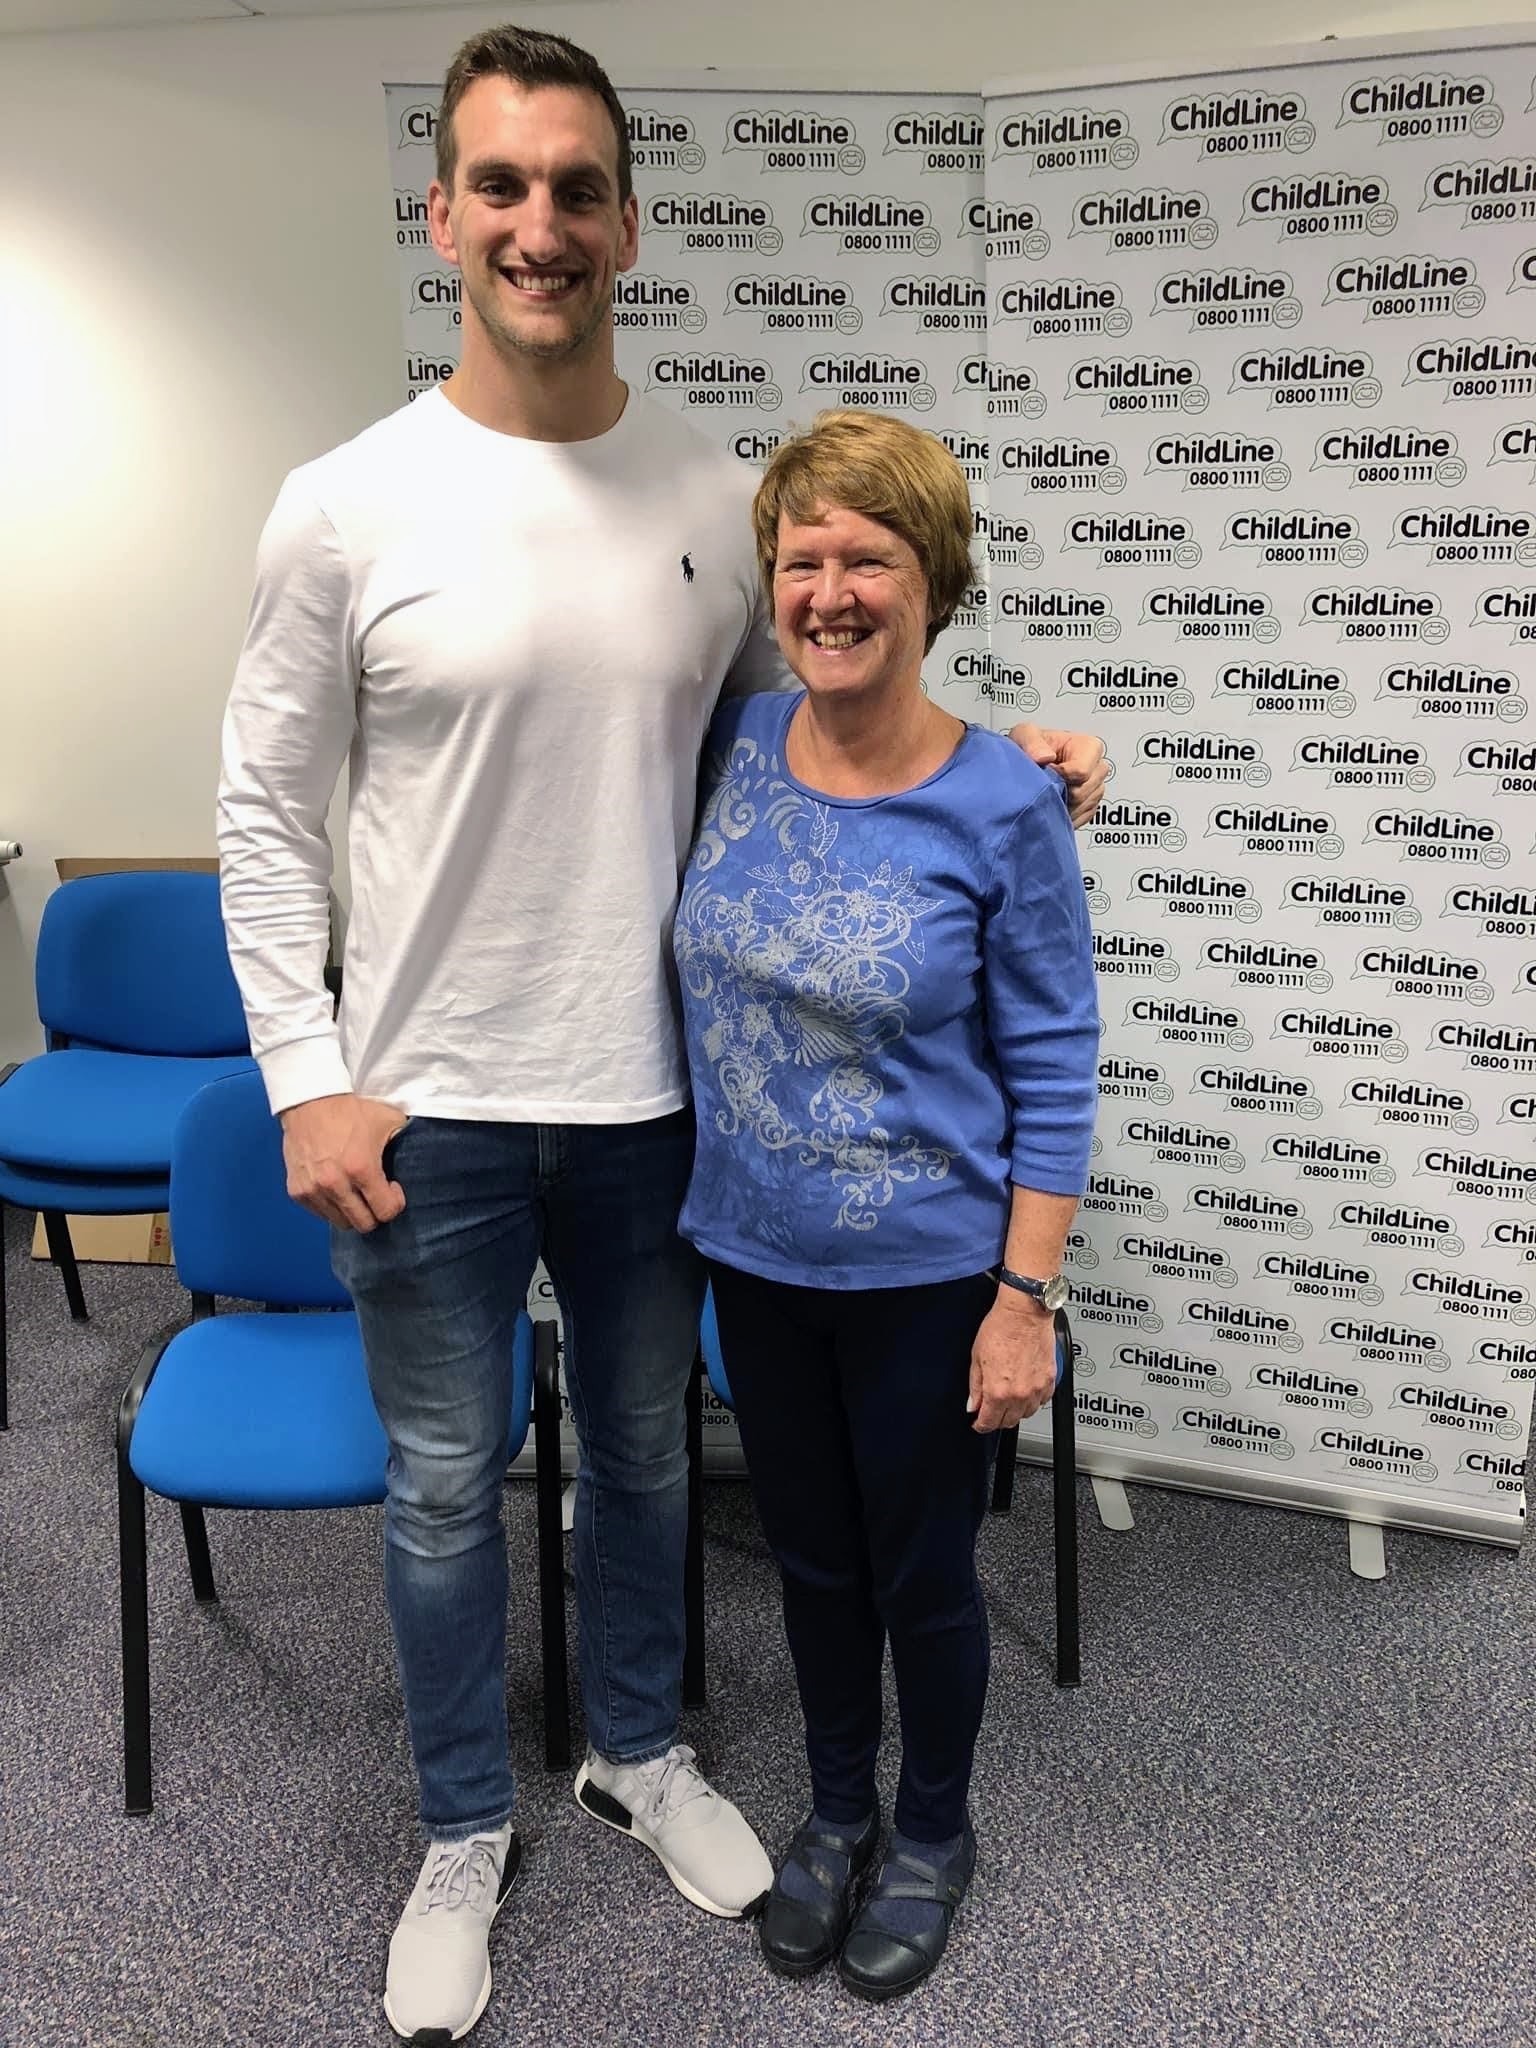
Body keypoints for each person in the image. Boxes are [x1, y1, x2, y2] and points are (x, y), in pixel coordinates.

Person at [216, 24, 1109, 2044]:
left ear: (629, 219)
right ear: (443, 212)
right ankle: (465, 1825)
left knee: (638, 1460)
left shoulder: (718, 492)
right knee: (448, 1491)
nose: (541, 224)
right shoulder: (342, 504)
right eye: (501, 186)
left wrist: (1018, 754)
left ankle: (638, 1745)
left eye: (578, 187)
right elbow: (263, 812)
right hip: (424, 1107)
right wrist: (301, 1070)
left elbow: (818, 724)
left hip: (658, 1116)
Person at [674, 411, 1100, 2002]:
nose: (833, 590)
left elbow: (1056, 1063)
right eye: (805, 559)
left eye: (872, 556)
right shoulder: (727, 750)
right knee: (813, 1560)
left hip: (933, 1277)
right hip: (755, 1259)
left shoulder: (1000, 806)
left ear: (937, 581)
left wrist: (1022, 1297)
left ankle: (932, 1827)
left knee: (921, 1570)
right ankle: (840, 1805)